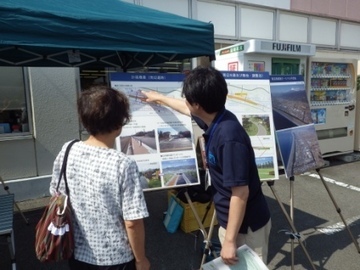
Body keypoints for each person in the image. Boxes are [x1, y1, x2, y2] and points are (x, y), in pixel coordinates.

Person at [141, 66, 271, 265]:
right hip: (232, 223)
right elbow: (186, 109)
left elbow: (240, 192)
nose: (186, 102)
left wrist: (229, 241)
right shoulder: (216, 118)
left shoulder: (228, 137)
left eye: (188, 99)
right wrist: (158, 98)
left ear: (198, 105)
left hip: (246, 228)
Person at [49, 85, 150, 270]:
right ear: (120, 122)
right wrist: (141, 259)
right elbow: (132, 222)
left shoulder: (68, 149)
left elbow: (57, 194)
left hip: (77, 251)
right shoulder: (123, 164)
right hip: (116, 258)